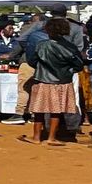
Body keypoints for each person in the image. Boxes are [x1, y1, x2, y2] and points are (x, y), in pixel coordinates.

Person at [24, 17, 82, 145]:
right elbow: (79, 65)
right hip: (62, 81)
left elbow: (32, 61)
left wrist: (41, 68)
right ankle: (51, 137)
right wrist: (67, 71)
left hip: (42, 80)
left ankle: (36, 137)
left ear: (48, 30)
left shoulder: (41, 45)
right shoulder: (71, 47)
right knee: (56, 110)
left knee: (39, 110)